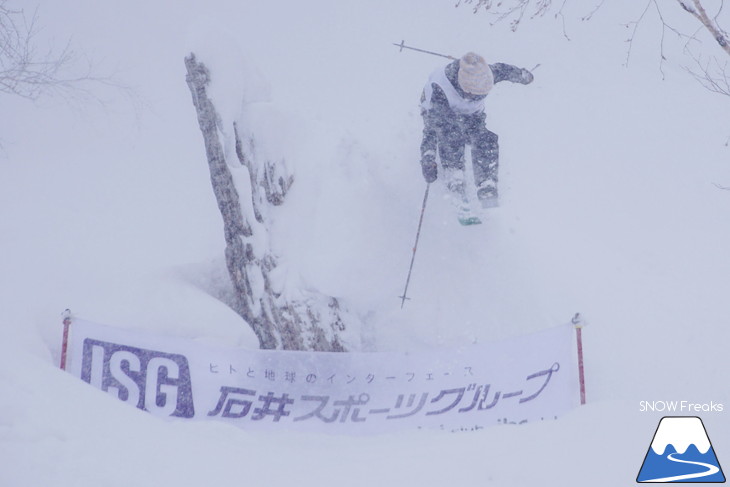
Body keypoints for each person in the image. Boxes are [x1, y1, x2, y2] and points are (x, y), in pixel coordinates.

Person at [420, 52, 534, 212]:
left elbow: (503, 70)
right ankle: (455, 178)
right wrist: (428, 158)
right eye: (473, 95)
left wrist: (521, 75)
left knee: (486, 138)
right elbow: (431, 130)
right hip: (443, 115)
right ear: (463, 88)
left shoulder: (484, 74)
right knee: (451, 135)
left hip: (472, 117)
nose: (476, 98)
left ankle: (486, 184)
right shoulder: (439, 90)